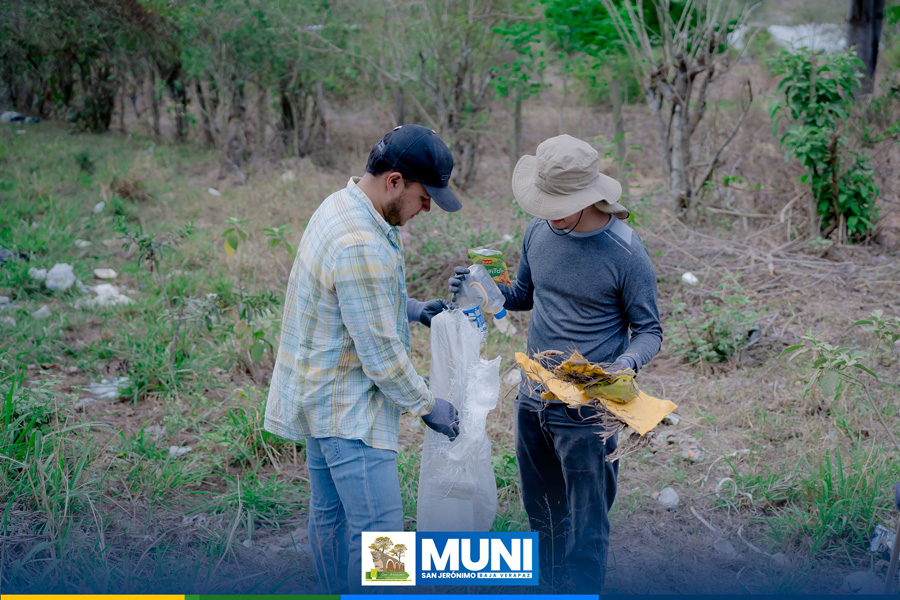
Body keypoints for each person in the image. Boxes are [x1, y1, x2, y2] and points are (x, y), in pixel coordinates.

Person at [450, 134, 663, 593]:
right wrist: (481, 288)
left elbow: (650, 331)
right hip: (533, 399)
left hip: (588, 410)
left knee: (586, 526)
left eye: (558, 205)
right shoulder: (539, 231)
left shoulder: (626, 253)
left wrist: (626, 363)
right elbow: (523, 295)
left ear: (588, 197)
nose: (548, 213)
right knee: (542, 515)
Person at [266, 124, 461, 594]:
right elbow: (381, 358)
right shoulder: (361, 243)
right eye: (423, 197)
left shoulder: (342, 205)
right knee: (383, 538)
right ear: (395, 181)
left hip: (319, 399)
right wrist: (427, 405)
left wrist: (412, 309)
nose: (427, 208)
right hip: (349, 411)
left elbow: (351, 302)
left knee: (330, 517)